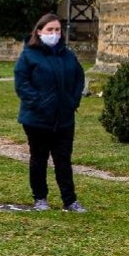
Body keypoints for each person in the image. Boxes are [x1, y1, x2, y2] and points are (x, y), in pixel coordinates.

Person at [15, 12, 86, 212]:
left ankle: (69, 200)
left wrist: (72, 101)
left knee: (63, 159)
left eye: (57, 29)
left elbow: (78, 78)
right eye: (50, 30)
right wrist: (39, 103)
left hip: (64, 118)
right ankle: (40, 198)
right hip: (37, 119)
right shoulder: (29, 55)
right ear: (39, 31)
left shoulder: (68, 55)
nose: (54, 33)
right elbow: (22, 84)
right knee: (39, 158)